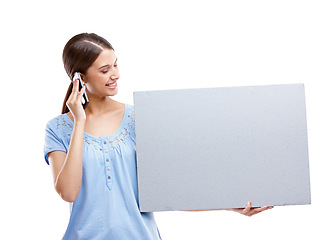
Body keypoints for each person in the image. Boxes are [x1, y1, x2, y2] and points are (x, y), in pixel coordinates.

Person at [43, 33, 273, 240]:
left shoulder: (139, 118)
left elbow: (169, 191)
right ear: (80, 78)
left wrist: (229, 205)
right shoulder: (58, 129)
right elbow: (69, 192)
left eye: (115, 65)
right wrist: (79, 122)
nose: (116, 75)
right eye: (105, 70)